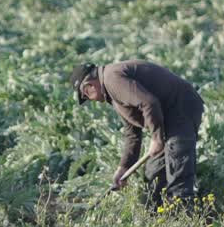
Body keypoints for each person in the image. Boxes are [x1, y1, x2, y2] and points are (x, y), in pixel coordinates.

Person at [70, 60, 205, 209]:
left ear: (88, 86)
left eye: (86, 96)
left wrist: (156, 138)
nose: (90, 100)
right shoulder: (111, 91)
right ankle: (159, 222)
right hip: (167, 120)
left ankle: (184, 222)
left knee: (177, 172)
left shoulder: (113, 79)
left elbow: (149, 103)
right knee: (153, 175)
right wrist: (123, 167)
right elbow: (132, 132)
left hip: (180, 111)